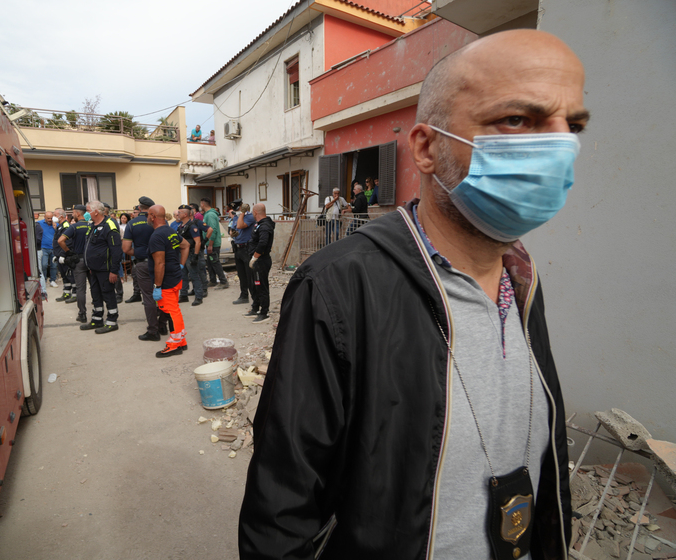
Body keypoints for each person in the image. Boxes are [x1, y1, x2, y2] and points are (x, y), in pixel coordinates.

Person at [238, 29, 587, 559]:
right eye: (517, 120)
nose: (558, 147)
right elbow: (283, 510)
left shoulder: (522, 278)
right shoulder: (339, 288)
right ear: (426, 147)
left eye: (574, 126)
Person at [122, 196, 168, 341]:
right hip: (162, 262)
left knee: (148, 297)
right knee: (164, 294)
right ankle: (162, 325)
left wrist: (141, 253)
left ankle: (153, 331)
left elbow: (126, 248)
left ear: (140, 208)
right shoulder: (162, 221)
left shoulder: (132, 224)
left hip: (143, 263)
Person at [147, 205, 190, 358]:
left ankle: (174, 344)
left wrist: (157, 286)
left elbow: (160, 263)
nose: (147, 217)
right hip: (176, 276)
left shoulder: (156, 236)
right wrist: (181, 265)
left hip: (167, 281)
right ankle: (181, 340)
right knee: (175, 310)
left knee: (171, 312)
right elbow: (186, 245)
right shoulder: (171, 231)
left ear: (152, 216)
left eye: (147, 215)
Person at [78, 200, 123, 334]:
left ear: (96, 211)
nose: (86, 213)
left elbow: (116, 250)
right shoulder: (92, 225)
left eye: (88, 211)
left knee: (108, 294)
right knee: (95, 294)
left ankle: (111, 322)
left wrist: (114, 271)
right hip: (94, 269)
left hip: (106, 269)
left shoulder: (109, 225)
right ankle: (97, 319)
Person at [58, 205, 91, 322]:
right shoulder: (91, 225)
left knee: (81, 289)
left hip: (79, 260)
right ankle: (98, 312)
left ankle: (82, 314)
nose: (72, 214)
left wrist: (68, 251)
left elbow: (60, 240)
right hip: (91, 261)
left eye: (73, 212)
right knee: (95, 287)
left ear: (77, 213)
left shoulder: (74, 227)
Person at [244, 203, 275, 323]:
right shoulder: (259, 224)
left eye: (252, 211)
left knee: (261, 286)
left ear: (256, 212)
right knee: (254, 285)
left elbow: (263, 243)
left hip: (261, 260)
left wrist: (255, 258)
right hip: (256, 259)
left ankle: (264, 312)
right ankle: (255, 307)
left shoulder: (265, 226)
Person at [177, 206, 205, 306]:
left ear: (185, 214)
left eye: (179, 212)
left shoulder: (192, 226)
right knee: (182, 275)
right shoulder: (181, 226)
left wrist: (196, 256)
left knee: (194, 275)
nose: (177, 214)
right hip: (182, 253)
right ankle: (183, 295)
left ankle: (199, 296)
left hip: (191, 253)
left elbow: (198, 242)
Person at [200, 197, 229, 289]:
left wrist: (211, 244)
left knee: (215, 262)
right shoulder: (207, 214)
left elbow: (213, 230)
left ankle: (223, 281)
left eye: (201, 204)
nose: (200, 206)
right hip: (209, 243)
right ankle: (212, 280)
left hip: (213, 244)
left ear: (203, 204)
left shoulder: (210, 215)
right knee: (209, 262)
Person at [230, 203, 255, 304]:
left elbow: (240, 225)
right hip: (238, 248)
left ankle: (255, 298)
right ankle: (244, 295)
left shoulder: (250, 217)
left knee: (249, 275)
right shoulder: (236, 217)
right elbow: (233, 229)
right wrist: (232, 233)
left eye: (238, 207)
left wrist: (243, 214)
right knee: (241, 275)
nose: (237, 209)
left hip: (246, 248)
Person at [52, 208, 74, 301]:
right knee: (64, 276)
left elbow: (67, 242)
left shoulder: (65, 225)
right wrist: (56, 254)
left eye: (55, 215)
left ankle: (75, 294)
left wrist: (63, 254)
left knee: (70, 275)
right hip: (58, 254)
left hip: (64, 255)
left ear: (61, 216)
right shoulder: (59, 226)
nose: (54, 217)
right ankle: (66, 293)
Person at [36, 211, 56, 289]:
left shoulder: (55, 224)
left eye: (51, 218)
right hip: (43, 248)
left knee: (54, 265)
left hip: (53, 248)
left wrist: (56, 228)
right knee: (43, 265)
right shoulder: (39, 223)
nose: (50, 220)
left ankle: (52, 280)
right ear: (44, 217)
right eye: (48, 218)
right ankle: (43, 280)